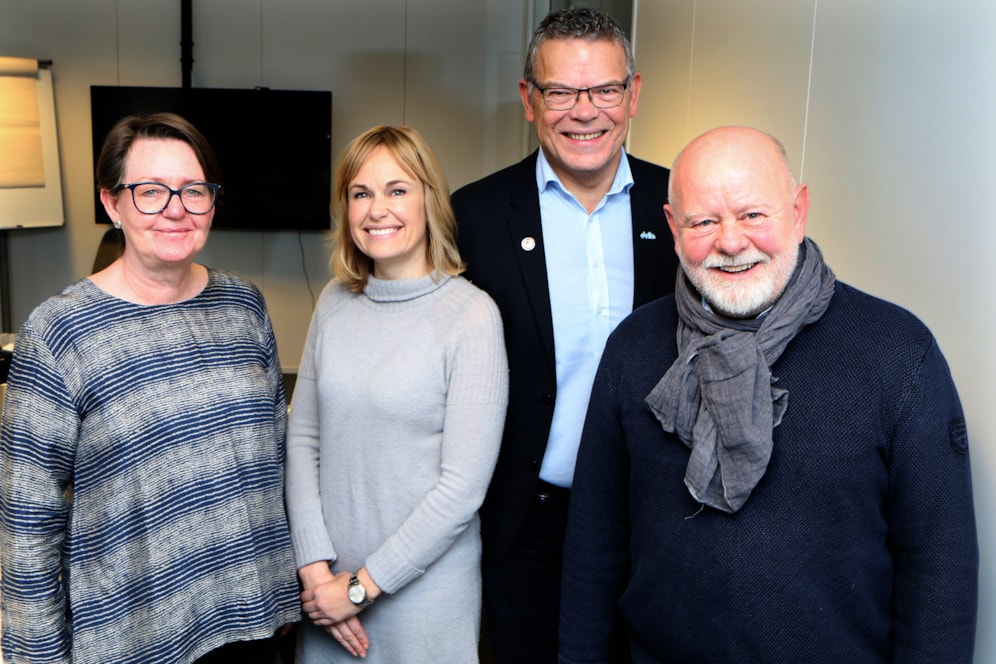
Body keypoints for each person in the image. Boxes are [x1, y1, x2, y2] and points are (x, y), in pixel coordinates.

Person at [559, 126, 979, 663]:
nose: (731, 242)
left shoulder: (898, 354)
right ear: (672, 227)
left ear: (798, 212)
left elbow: (939, 567)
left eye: (754, 215)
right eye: (703, 221)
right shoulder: (633, 349)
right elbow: (594, 544)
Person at [0, 112, 300, 663]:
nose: (176, 209)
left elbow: (275, 461)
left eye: (194, 191)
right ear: (112, 204)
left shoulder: (245, 307)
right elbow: (26, 521)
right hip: (137, 637)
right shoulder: (60, 332)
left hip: (255, 621)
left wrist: (288, 587)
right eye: (151, 192)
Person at [450, 7, 679, 662]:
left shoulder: (679, 210)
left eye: (605, 89)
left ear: (633, 94)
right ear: (529, 99)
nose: (586, 111)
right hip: (526, 526)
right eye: (561, 91)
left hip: (652, 521)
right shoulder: (475, 217)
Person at [284, 125, 509, 663]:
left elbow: (461, 489)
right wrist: (318, 576)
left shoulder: (472, 315)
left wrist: (360, 589)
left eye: (397, 189)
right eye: (361, 193)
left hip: (423, 600)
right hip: (327, 594)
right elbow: (303, 439)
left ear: (430, 198)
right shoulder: (335, 304)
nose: (376, 209)